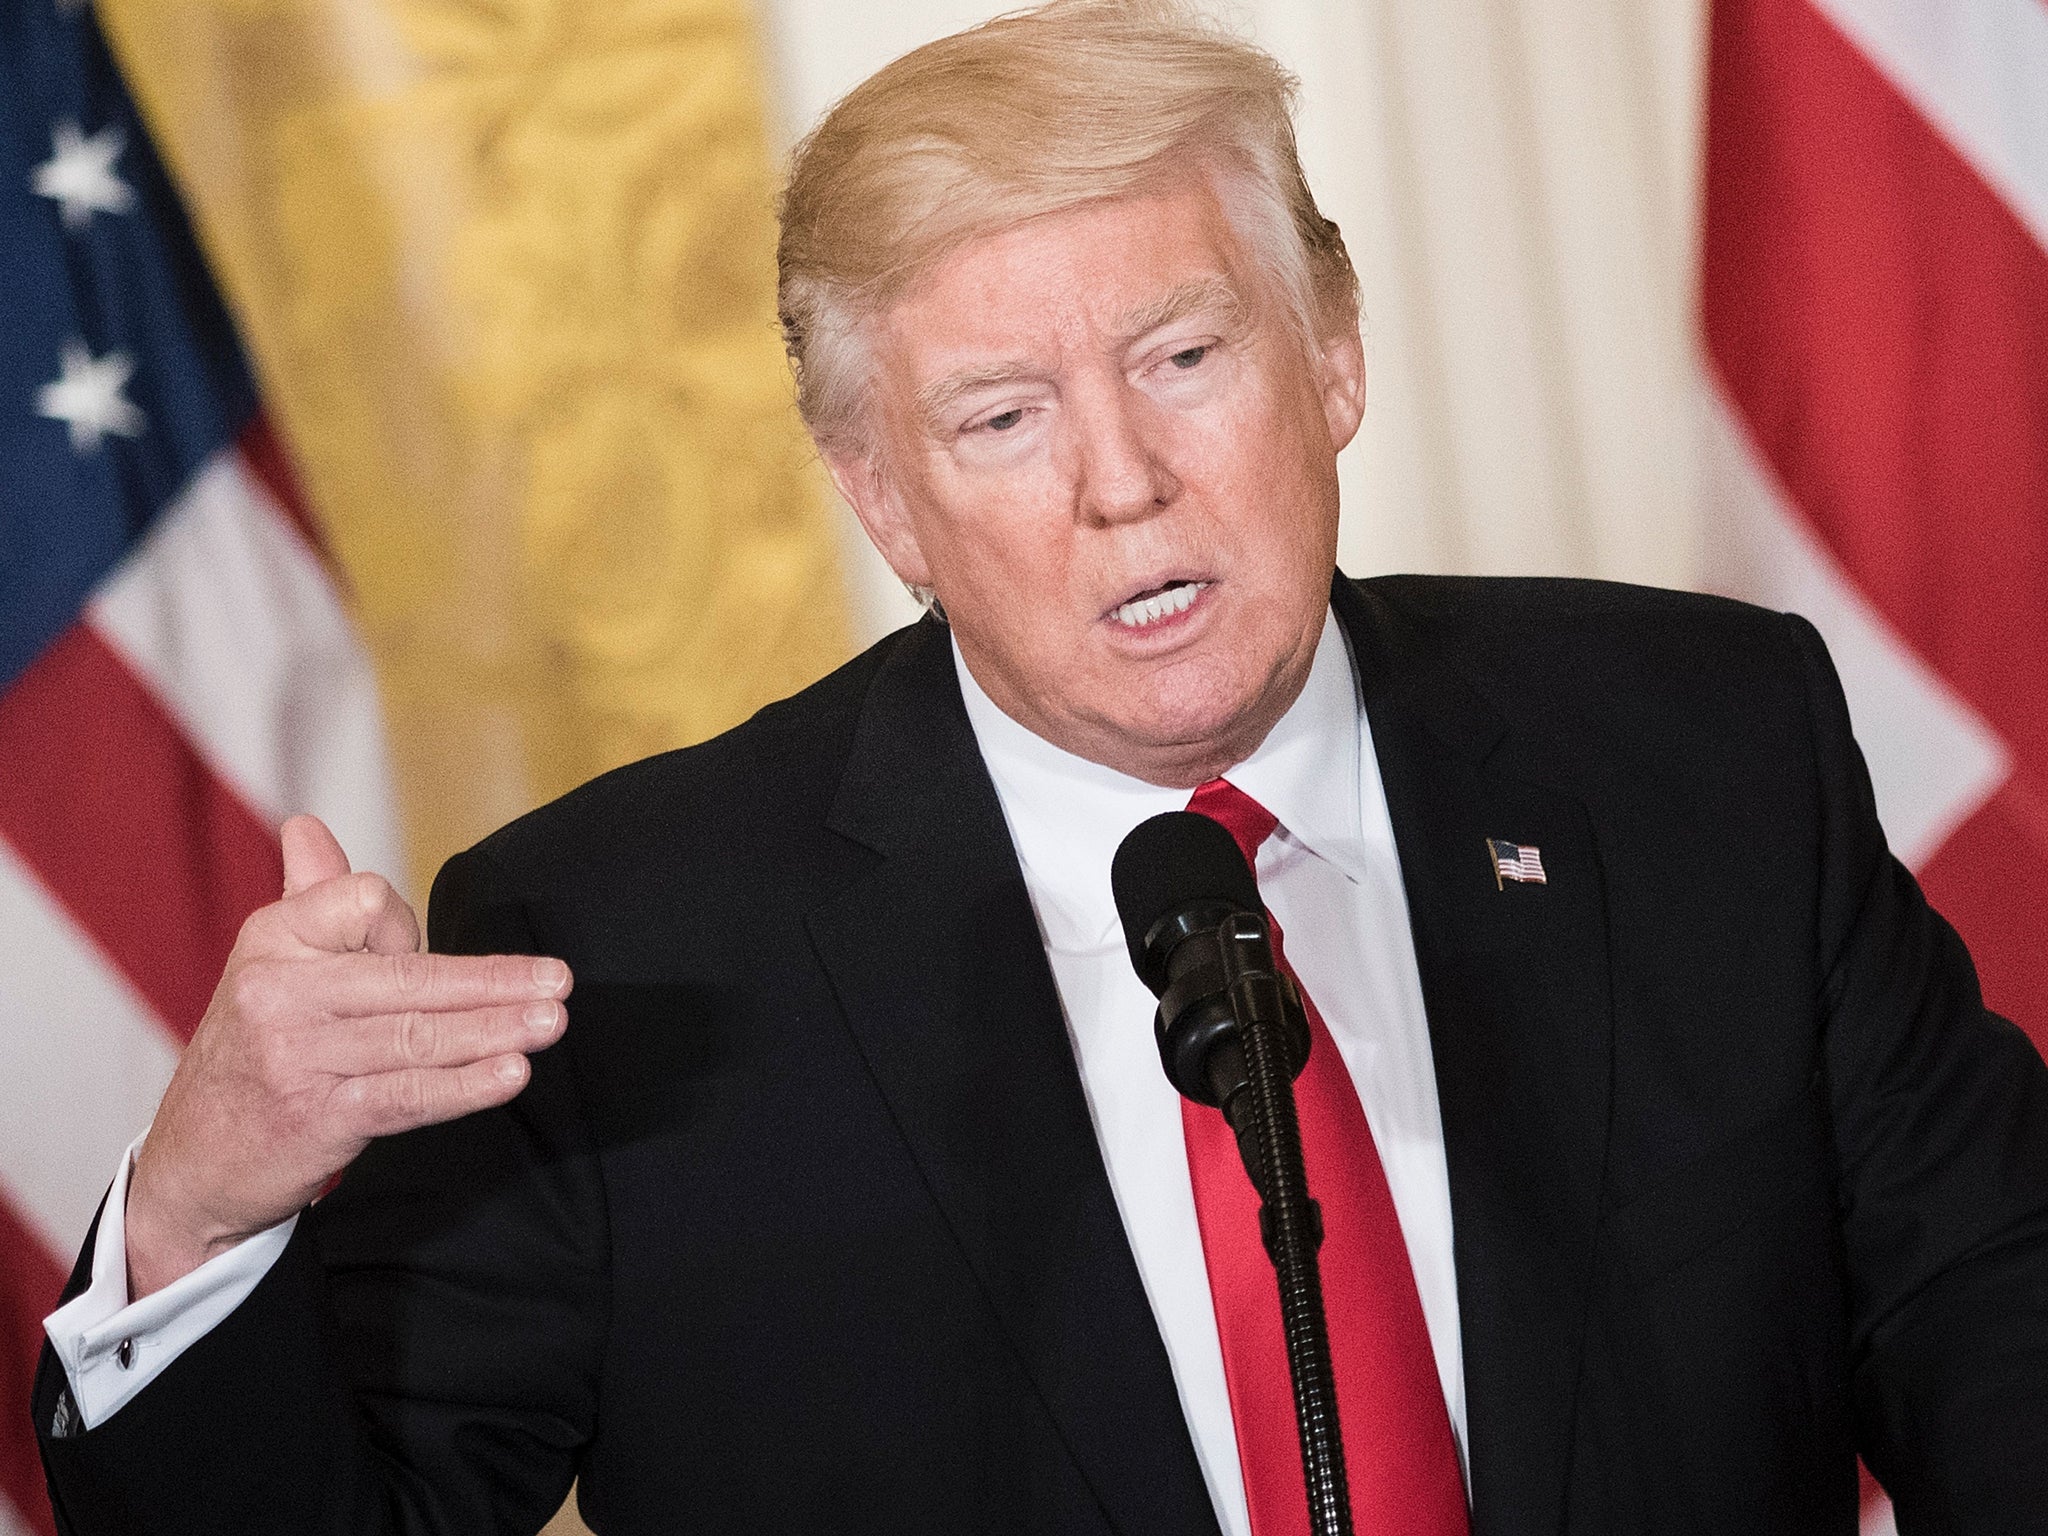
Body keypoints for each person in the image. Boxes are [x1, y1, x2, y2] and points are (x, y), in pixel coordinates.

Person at [33, 2, 2048, 1532]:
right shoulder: (633, 944)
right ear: (882, 499)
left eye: (1184, 357)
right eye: (997, 417)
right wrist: (195, 1224)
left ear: (1330, 354)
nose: (1120, 481)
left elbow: (1993, 1317)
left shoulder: (1695, 752)